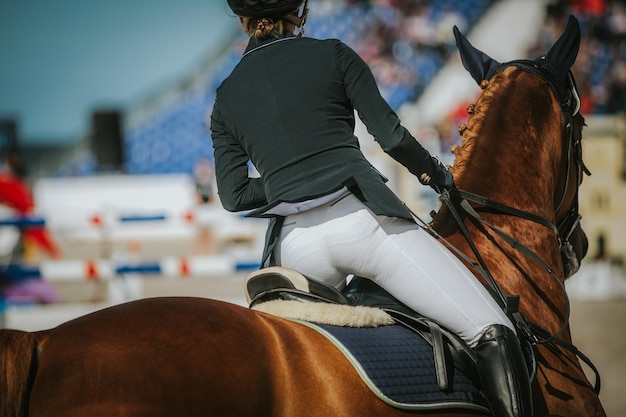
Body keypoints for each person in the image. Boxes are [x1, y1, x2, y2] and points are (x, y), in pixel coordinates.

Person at [211, 2, 531, 416]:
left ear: (243, 21)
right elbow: (393, 138)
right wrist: (438, 176)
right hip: (362, 225)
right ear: (300, 12)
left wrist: (282, 182)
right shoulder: (333, 53)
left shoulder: (227, 96)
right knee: (493, 331)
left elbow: (233, 196)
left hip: (294, 250)